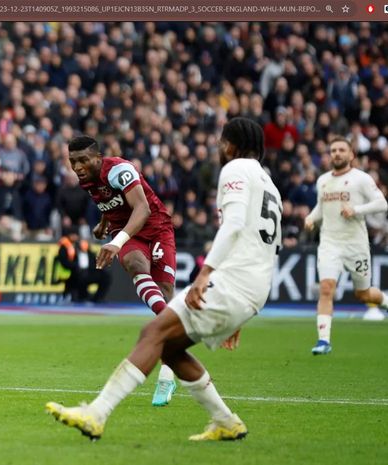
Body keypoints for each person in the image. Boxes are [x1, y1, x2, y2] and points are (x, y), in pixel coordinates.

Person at [46, 117, 282, 441]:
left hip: (223, 276)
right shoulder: (269, 184)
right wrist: (243, 304)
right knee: (168, 347)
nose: (217, 149)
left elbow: (234, 225)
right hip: (253, 286)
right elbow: (263, 244)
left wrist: (205, 275)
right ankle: (225, 421)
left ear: (230, 146)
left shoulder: (234, 170)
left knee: (153, 333)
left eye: (220, 144)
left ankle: (96, 413)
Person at [64, 135, 178, 407]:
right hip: (126, 232)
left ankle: (167, 373)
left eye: (83, 160)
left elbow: (142, 207)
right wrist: (105, 223)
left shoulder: (119, 169)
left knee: (165, 293)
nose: (77, 167)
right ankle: (174, 323)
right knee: (135, 264)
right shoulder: (86, 180)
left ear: (98, 157)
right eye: (72, 162)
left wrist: (115, 243)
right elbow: (110, 199)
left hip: (156, 226)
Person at [304, 138, 388, 355]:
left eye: (342, 150)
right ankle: (324, 341)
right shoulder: (322, 180)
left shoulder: (361, 179)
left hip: (355, 245)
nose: (337, 154)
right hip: (330, 243)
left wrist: (356, 210)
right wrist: (311, 218)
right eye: (333, 150)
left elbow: (382, 203)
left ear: (351, 155)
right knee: (326, 289)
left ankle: (386, 301)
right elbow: (321, 208)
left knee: (364, 295)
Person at [56, 226, 111, 303]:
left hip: (88, 271)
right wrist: (76, 266)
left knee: (106, 276)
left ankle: (97, 299)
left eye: (76, 235)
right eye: (72, 235)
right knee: (80, 283)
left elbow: (93, 258)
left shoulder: (83, 245)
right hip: (74, 273)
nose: (74, 237)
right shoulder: (65, 247)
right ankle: (81, 297)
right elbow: (64, 262)